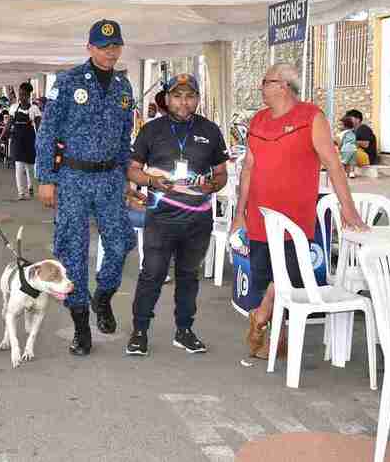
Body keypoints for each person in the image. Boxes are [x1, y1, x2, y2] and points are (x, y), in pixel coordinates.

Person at [231, 63, 366, 359]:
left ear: (283, 85)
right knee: (265, 276)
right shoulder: (258, 120)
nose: (261, 87)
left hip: (294, 219)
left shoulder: (310, 117)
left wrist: (349, 208)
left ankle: (263, 316)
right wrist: (239, 212)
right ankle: (274, 336)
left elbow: (332, 163)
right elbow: (248, 167)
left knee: (287, 277)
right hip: (258, 215)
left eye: (265, 82)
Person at [36, 19, 136, 356]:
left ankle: (103, 295)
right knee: (72, 252)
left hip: (109, 178)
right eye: (103, 46)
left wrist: (124, 177)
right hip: (74, 178)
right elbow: (47, 133)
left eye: (115, 46)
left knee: (121, 242)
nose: (110, 52)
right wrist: (46, 178)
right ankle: (80, 326)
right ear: (90, 48)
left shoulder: (124, 89)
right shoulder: (67, 83)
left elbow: (125, 139)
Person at [123, 74, 228, 356]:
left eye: (190, 96)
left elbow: (221, 174)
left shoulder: (211, 130)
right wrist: (150, 181)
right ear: (167, 99)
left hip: (198, 219)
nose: (184, 102)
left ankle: (184, 331)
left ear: (197, 99)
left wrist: (213, 185)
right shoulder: (151, 130)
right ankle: (139, 331)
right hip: (161, 216)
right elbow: (132, 169)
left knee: (188, 276)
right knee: (152, 274)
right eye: (178, 96)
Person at [0, 82, 42, 200]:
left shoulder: (34, 109)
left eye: (24, 95)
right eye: (20, 94)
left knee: (29, 166)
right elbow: (8, 124)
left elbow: (39, 128)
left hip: (30, 139)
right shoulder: (14, 108)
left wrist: (41, 141)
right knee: (18, 166)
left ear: (29, 95)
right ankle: (21, 193)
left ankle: (30, 187)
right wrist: (1, 138)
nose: (21, 97)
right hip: (17, 139)